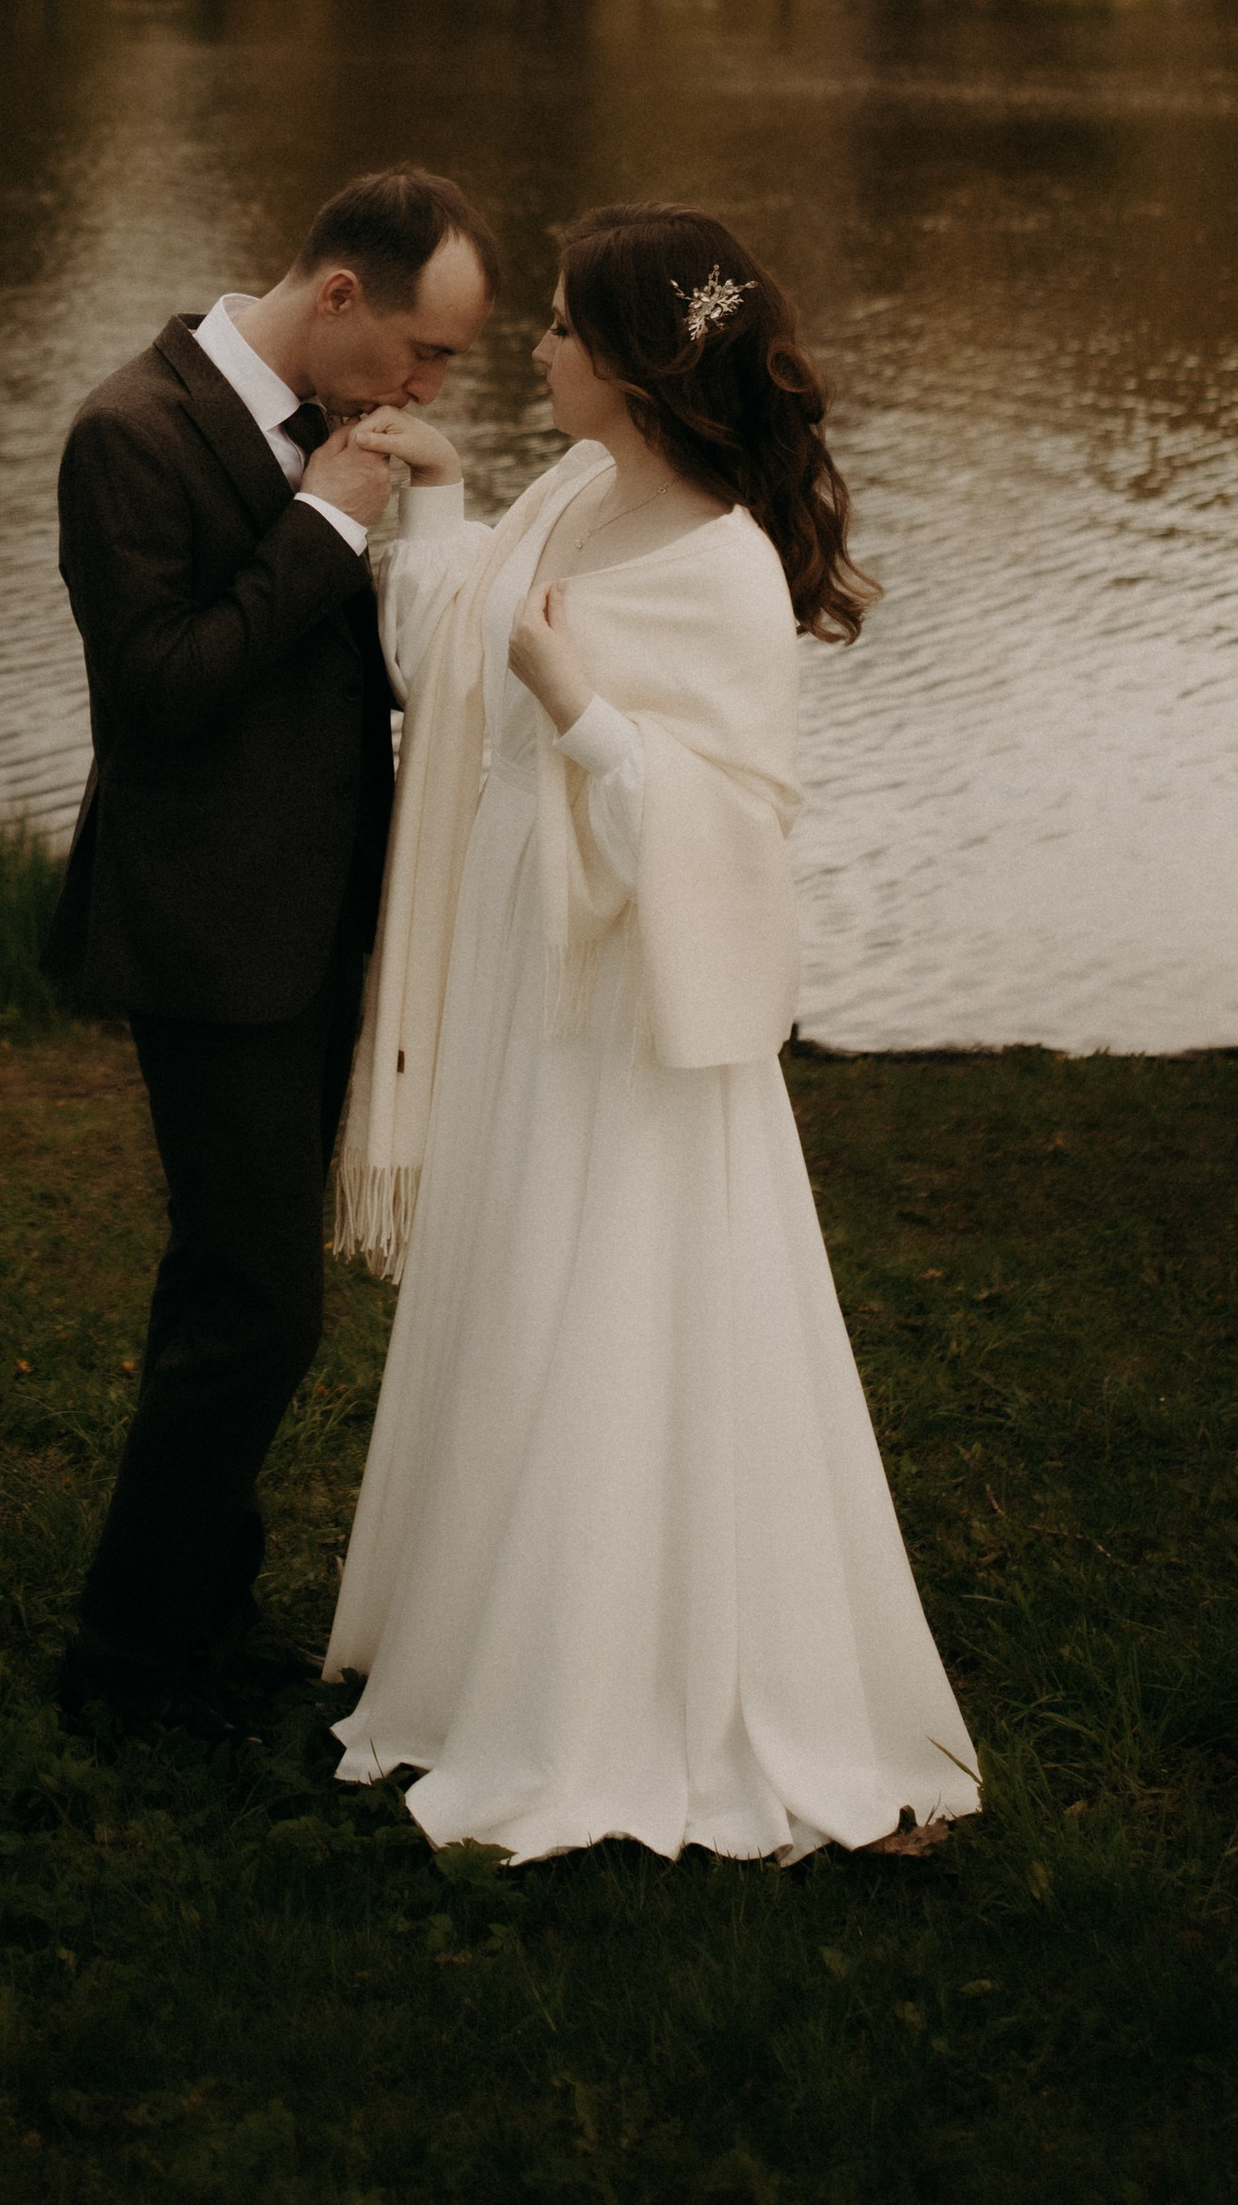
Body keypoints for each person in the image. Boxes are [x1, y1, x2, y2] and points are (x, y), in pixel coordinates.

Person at [320, 203, 980, 1866]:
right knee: (520, 1274)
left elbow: (729, 824)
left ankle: (628, 1673)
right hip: (527, 981)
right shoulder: (571, 493)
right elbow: (447, 655)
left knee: (616, 1287)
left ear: (629, 362)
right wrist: (443, 503)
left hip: (632, 1005)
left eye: (554, 328)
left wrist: (579, 706)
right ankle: (490, 1630)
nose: (533, 350)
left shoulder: (728, 568)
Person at [47, 164, 500, 1739]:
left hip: (311, 928)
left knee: (225, 1284)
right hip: (205, 935)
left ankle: (198, 1608)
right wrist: (326, 522)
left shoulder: (323, 422)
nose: (431, 388)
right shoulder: (129, 431)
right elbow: (163, 688)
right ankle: (125, 1657)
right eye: (425, 354)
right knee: (262, 1304)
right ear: (338, 299)